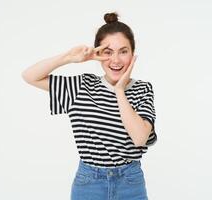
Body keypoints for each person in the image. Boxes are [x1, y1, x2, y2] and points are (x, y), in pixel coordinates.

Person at [22, 12, 157, 200]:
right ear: (98, 54)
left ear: (132, 54)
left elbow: (140, 138)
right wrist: (68, 58)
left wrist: (119, 90)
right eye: (108, 52)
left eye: (123, 51)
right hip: (89, 183)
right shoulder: (82, 86)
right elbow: (29, 76)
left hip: (130, 182)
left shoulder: (143, 89)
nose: (116, 60)